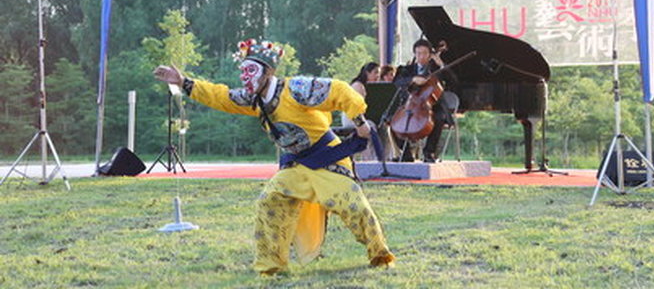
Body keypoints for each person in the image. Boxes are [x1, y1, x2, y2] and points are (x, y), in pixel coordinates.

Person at [153, 39, 394, 275]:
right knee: (270, 200)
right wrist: (183, 82)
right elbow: (222, 96)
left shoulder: (296, 89)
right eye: (243, 71)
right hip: (296, 165)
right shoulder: (254, 99)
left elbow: (339, 90)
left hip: (326, 159)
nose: (244, 77)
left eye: (251, 71)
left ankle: (380, 254)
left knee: (353, 205)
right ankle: (271, 265)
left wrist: (360, 121)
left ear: (268, 72)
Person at [392, 38, 459, 163]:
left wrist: (442, 65)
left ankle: (429, 152)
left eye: (424, 53)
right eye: (418, 53)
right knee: (392, 119)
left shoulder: (437, 69)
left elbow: (454, 82)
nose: (421, 56)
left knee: (439, 117)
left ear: (430, 55)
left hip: (434, 105)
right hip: (411, 105)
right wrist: (412, 79)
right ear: (414, 54)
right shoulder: (407, 69)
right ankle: (406, 154)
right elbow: (396, 82)